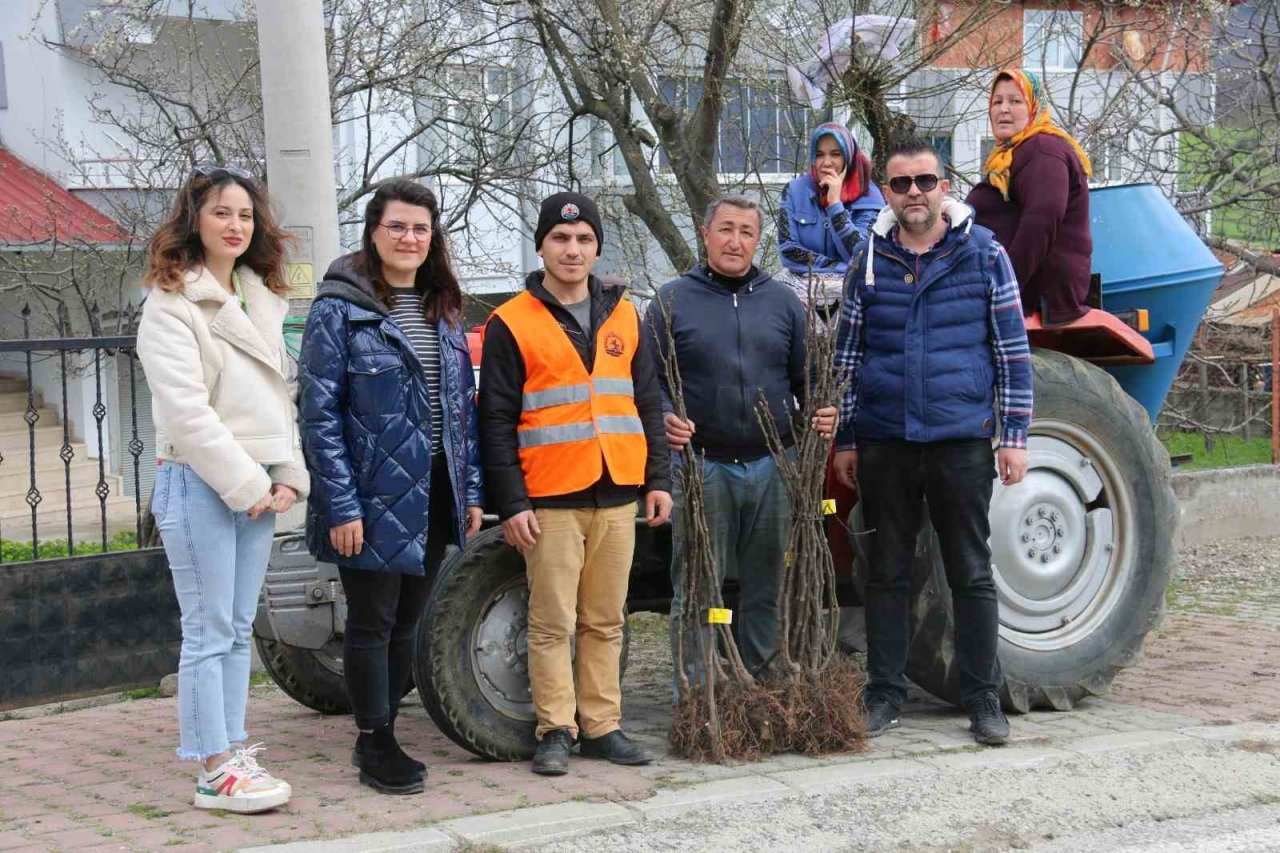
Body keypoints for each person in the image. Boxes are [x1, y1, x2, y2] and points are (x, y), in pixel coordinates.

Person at [832, 138, 1033, 746]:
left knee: (969, 571)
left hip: (959, 438)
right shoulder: (868, 258)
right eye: (901, 184)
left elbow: (1010, 350)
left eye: (924, 180)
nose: (914, 193)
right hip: (886, 438)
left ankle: (982, 699)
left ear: (944, 184)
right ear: (885, 192)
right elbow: (848, 354)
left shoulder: (983, 254)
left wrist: (1013, 434)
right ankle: (885, 694)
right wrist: (846, 435)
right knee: (886, 572)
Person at [298, 179, 484, 795]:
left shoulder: (444, 306)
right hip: (371, 495)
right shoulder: (339, 308)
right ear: (374, 233)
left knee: (411, 618)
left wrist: (472, 489)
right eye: (397, 227)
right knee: (372, 621)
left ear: (433, 239)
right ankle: (373, 743)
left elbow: (463, 408)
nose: (409, 238)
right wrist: (341, 505)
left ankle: (387, 729)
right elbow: (319, 414)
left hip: (435, 489)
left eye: (420, 229)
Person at [479, 191, 672, 776]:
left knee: (605, 619)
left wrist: (658, 479)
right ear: (541, 247)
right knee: (552, 621)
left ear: (597, 248)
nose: (572, 249)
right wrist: (511, 501)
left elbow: (647, 401)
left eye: (584, 239)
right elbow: (495, 421)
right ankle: (555, 729)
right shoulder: (510, 322)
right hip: (551, 498)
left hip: (618, 492)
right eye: (561, 239)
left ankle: (603, 726)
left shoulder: (624, 316)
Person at [137, 165, 309, 813]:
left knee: (237, 627)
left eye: (244, 215)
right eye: (221, 213)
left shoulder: (259, 295)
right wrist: (246, 484)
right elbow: (187, 413)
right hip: (201, 483)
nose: (235, 225)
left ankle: (231, 748)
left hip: (259, 487)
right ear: (194, 220)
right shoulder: (171, 302)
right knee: (208, 629)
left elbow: (279, 397)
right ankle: (212, 767)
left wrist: (287, 474)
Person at [649, 195, 838, 694]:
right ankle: (697, 688)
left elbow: (808, 378)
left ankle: (763, 687)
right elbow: (650, 383)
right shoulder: (671, 301)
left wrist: (822, 410)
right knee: (698, 587)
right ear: (705, 234)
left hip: (774, 464)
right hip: (702, 466)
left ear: (759, 241)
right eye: (726, 229)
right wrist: (667, 415)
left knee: (766, 585)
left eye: (747, 232)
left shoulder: (782, 303)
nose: (736, 241)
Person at [967, 69, 1094, 325]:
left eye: (1015, 101)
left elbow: (1041, 223)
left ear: (1034, 107)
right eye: (997, 101)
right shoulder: (1012, 153)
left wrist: (1004, 288)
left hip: (1036, 298)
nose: (1004, 109)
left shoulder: (1043, 150)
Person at [777, 122, 885, 327]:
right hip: (802, 289)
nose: (826, 162)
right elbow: (788, 250)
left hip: (853, 290)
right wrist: (838, 267)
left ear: (848, 157)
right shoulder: (794, 191)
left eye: (835, 154)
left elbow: (862, 255)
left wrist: (835, 205)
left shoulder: (870, 196)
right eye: (819, 154)